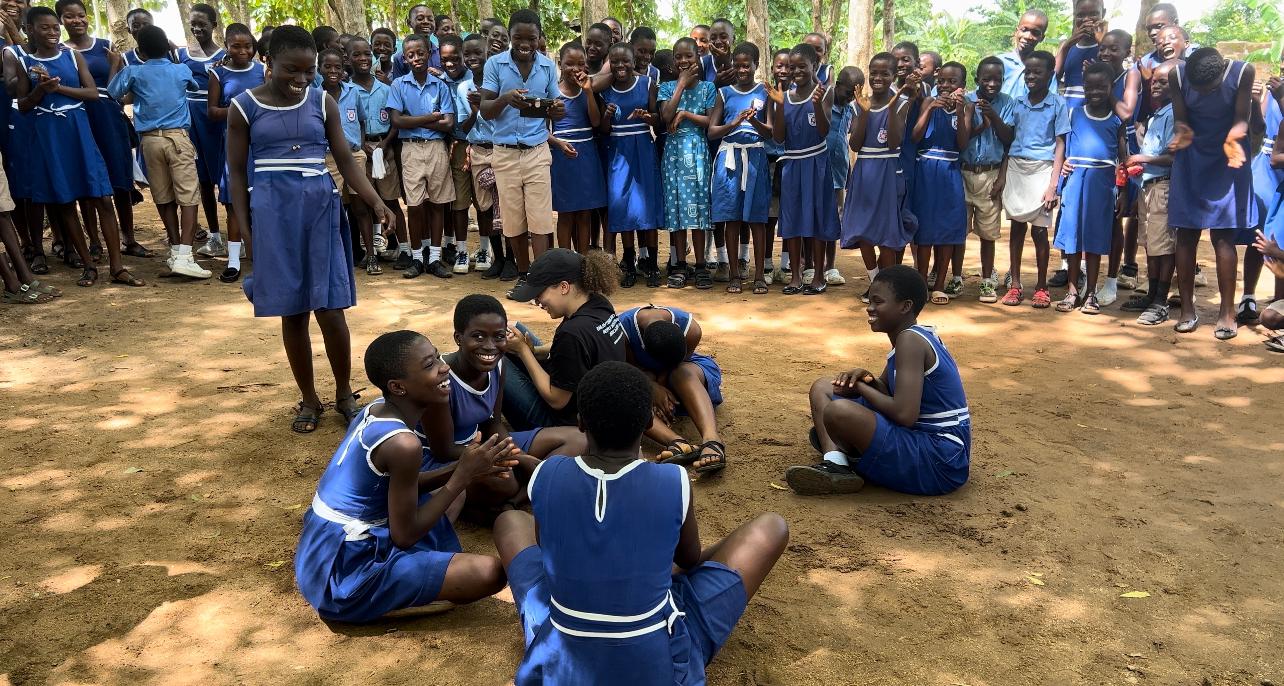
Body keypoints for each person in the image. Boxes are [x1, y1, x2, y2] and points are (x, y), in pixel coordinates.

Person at [491, 361, 789, 685]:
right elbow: (688, 560)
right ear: (649, 421)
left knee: (509, 521)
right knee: (772, 527)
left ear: (579, 422)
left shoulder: (546, 475)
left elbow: (549, 552)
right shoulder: (672, 479)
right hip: (654, 663)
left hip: (561, 655)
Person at [225, 25, 393, 433]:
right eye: (291, 71)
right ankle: (309, 399)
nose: (301, 80)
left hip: (320, 207)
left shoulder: (322, 101)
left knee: (331, 309)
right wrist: (246, 232)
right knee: (294, 312)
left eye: (309, 71)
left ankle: (342, 393)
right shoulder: (243, 106)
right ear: (269, 62)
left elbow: (346, 159)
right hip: (273, 213)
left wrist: (374, 199)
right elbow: (234, 173)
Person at [295, 330, 517, 623]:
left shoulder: (375, 409)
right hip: (345, 571)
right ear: (398, 387)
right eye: (429, 365)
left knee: (453, 495)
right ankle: (377, 602)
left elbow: (392, 487)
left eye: (437, 356)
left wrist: (468, 469)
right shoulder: (403, 444)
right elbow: (404, 536)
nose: (444, 367)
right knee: (490, 573)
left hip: (320, 548)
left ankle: (398, 582)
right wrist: (461, 475)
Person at [785, 265, 970, 496]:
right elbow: (888, 390)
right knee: (824, 387)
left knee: (838, 411)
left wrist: (862, 388)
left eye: (878, 302)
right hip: (935, 449)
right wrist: (868, 379)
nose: (869, 308)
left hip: (940, 460)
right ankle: (836, 462)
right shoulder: (910, 336)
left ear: (905, 306)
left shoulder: (910, 341)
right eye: (870, 300)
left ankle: (848, 449)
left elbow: (905, 414)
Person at [420, 295, 589, 511]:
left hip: (483, 445)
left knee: (579, 439)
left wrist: (516, 454)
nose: (490, 346)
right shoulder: (441, 380)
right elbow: (442, 450)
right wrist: (508, 458)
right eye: (478, 336)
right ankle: (525, 492)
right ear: (458, 338)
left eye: (499, 336)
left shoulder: (499, 366)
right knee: (506, 480)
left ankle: (519, 497)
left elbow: (492, 421)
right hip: (447, 458)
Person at [15, 6, 143, 288]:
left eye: (53, 27)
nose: (52, 32)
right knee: (65, 201)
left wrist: (57, 89)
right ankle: (88, 266)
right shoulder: (26, 62)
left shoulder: (71, 56)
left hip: (79, 129)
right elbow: (22, 105)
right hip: (49, 136)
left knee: (101, 197)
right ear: (31, 30)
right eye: (45, 28)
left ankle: (117, 267)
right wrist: (39, 90)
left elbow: (92, 93)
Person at [1168, 48, 1258, 340]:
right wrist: (1181, 132)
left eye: (1210, 90)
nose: (1203, 95)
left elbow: (1242, 118)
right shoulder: (1177, 75)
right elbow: (1181, 119)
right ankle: (1187, 311)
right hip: (1191, 156)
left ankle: (1227, 313)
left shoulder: (1243, 72)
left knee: (1223, 236)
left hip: (1228, 158)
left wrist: (1234, 138)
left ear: (1221, 76)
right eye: (1198, 91)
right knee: (1186, 233)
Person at [107, 25, 209, 279]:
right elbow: (194, 87)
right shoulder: (181, 69)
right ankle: (185, 255)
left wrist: (115, 64)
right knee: (188, 197)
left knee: (163, 197)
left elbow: (112, 92)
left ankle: (175, 251)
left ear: (140, 50)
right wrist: (175, 55)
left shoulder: (134, 71)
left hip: (150, 141)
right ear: (167, 47)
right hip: (177, 138)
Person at [479, 10, 565, 297]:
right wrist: (505, 98)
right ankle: (525, 276)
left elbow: (557, 107)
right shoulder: (495, 64)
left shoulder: (547, 67)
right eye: (518, 37)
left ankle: (539, 279)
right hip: (504, 152)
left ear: (539, 37)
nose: (524, 43)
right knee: (514, 220)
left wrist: (557, 109)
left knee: (540, 218)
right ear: (510, 37)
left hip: (537, 150)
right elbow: (485, 109)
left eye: (531, 38)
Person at [502, 248, 628, 431]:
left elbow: (557, 400)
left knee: (497, 361)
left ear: (563, 287)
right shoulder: (597, 303)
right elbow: (580, 351)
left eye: (539, 294)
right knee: (516, 331)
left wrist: (523, 351)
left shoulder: (572, 334)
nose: (537, 302)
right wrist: (534, 351)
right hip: (599, 408)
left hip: (567, 426)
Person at [58, 0, 141, 260]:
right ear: (62, 20)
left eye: (81, 15)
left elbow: (122, 89)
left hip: (108, 116)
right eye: (70, 17)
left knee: (120, 179)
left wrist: (115, 65)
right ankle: (95, 241)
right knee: (87, 178)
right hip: (79, 118)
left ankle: (129, 237)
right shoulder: (60, 51)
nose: (77, 21)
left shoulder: (105, 45)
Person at [1052, 62, 1126, 315]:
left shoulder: (1116, 120)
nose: (1094, 91)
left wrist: (1122, 190)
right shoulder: (1074, 113)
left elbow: (1123, 158)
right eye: (1089, 87)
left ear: (1111, 88)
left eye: (1101, 87)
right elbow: (1062, 147)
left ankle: (1091, 293)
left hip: (1102, 182)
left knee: (1094, 239)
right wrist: (1058, 179)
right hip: (1075, 181)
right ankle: (1073, 292)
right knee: (1073, 239)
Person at [619, 304, 726, 473]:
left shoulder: (691, 330)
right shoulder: (621, 331)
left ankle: (712, 440)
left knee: (680, 372)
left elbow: (676, 364)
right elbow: (632, 370)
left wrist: (660, 389)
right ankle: (677, 442)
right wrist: (651, 389)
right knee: (627, 391)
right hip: (644, 376)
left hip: (685, 371)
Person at [1000, 50, 1068, 309]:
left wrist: (1053, 185)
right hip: (1018, 167)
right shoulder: (1017, 103)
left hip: (1043, 170)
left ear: (1051, 74)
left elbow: (1060, 143)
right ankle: (1015, 284)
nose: (1031, 76)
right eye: (1028, 71)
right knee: (1017, 228)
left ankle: (1041, 286)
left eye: (1037, 72)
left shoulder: (1057, 104)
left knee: (1040, 231)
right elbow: (1008, 138)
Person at [388, 32, 456, 279]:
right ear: (405, 59)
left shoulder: (440, 85)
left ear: (429, 53)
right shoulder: (398, 85)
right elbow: (396, 120)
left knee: (438, 204)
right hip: (411, 150)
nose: (416, 58)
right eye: (410, 55)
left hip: (437, 148)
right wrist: (430, 117)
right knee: (415, 206)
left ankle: (435, 258)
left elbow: (448, 123)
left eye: (420, 53)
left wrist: (411, 121)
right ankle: (417, 258)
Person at [843, 52, 910, 302]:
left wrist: (890, 110)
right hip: (864, 171)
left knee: (887, 233)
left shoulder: (901, 103)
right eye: (874, 72)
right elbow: (856, 144)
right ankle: (875, 282)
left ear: (894, 76)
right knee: (862, 230)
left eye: (885, 73)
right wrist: (863, 111)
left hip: (888, 171)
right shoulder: (859, 103)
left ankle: (888, 287)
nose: (878, 77)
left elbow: (894, 143)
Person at [770, 42, 836, 296]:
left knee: (818, 219)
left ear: (814, 66)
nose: (796, 71)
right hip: (792, 163)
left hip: (816, 163)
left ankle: (818, 275)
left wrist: (817, 105)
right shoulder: (783, 97)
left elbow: (823, 130)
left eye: (802, 66)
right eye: (791, 66)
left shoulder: (824, 92)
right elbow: (778, 138)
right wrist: (779, 106)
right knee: (792, 219)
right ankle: (795, 276)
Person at [709, 42, 772, 294]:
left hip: (755, 156)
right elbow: (712, 131)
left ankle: (758, 276)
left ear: (757, 65)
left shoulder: (765, 92)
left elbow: (771, 133)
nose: (742, 69)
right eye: (738, 65)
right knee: (731, 218)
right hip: (729, 159)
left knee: (757, 218)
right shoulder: (724, 93)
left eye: (747, 65)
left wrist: (753, 119)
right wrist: (734, 122)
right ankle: (734, 274)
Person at [599, 41, 661, 287]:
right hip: (618, 151)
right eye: (615, 61)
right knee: (623, 206)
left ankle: (653, 265)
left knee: (647, 206)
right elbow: (604, 129)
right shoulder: (606, 90)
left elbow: (658, 120)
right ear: (609, 64)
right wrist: (606, 114)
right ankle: (630, 262)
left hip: (643, 149)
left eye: (625, 60)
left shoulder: (647, 84)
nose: (620, 65)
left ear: (634, 62)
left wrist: (648, 117)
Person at [910, 61, 972, 305]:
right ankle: (922, 282)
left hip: (949, 170)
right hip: (925, 170)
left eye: (952, 81)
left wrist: (958, 112)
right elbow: (915, 136)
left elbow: (963, 143)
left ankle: (939, 285)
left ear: (962, 86)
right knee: (925, 228)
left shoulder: (966, 108)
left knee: (946, 229)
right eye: (942, 81)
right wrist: (929, 109)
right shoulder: (928, 102)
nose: (946, 85)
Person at [206, 22, 265, 283]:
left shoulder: (263, 71)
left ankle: (264, 259)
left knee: (262, 201)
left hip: (262, 144)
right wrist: (241, 110)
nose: (242, 51)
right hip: (234, 144)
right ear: (227, 47)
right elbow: (212, 112)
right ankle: (232, 261)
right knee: (233, 202)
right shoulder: (218, 74)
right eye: (236, 46)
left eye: (247, 46)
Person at [1121, 59, 1177, 326]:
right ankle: (1152, 294)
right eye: (1153, 80)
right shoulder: (1159, 114)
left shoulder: (1175, 114)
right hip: (1149, 187)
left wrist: (1143, 158)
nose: (1155, 84)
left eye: (1162, 81)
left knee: (1164, 247)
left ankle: (1160, 300)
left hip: (1164, 186)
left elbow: (1172, 157)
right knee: (1151, 244)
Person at [659, 37, 716, 290]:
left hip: (697, 151)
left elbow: (711, 123)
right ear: (673, 61)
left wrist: (686, 114)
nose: (684, 61)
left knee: (699, 207)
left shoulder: (708, 88)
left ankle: (701, 265)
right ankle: (680, 264)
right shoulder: (666, 87)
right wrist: (680, 85)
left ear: (698, 58)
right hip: (672, 153)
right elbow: (665, 116)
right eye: (679, 57)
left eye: (689, 56)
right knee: (677, 208)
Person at [960, 56, 1015, 303]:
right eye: (987, 79)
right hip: (963, 171)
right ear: (977, 79)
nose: (992, 83)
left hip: (991, 174)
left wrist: (994, 116)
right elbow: (961, 138)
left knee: (988, 233)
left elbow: (1008, 139)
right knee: (958, 231)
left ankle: (985, 280)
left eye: (998, 79)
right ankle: (956, 276)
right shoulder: (965, 100)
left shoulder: (1007, 103)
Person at [348, 35, 402, 276]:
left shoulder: (386, 88)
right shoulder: (347, 90)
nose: (362, 58)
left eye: (365, 53)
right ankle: (371, 254)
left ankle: (406, 249)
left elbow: (395, 121)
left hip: (385, 148)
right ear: (348, 59)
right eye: (356, 54)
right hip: (359, 152)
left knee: (390, 200)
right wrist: (363, 147)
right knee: (363, 204)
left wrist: (386, 144)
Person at [319, 48, 375, 273]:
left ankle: (371, 255)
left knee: (361, 206)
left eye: (337, 67)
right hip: (328, 157)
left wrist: (359, 146)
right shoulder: (314, 94)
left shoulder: (354, 92)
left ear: (344, 69)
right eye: (328, 67)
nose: (333, 71)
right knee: (332, 206)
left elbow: (361, 121)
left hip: (354, 156)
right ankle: (335, 258)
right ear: (319, 69)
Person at [178, 3, 227, 255]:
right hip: (193, 121)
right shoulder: (182, 55)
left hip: (217, 123)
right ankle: (215, 235)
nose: (197, 28)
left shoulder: (225, 56)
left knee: (227, 179)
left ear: (214, 26)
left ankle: (238, 236)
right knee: (204, 181)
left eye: (202, 24)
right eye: (193, 24)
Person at [455, 32, 503, 278]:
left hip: (501, 150)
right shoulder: (463, 87)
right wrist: (475, 109)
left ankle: (513, 260)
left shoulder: (498, 83)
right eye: (468, 54)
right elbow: (463, 127)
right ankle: (496, 256)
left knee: (505, 206)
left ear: (488, 55)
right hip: (478, 151)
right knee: (484, 207)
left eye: (478, 53)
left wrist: (485, 102)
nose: (473, 57)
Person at [549, 42, 605, 254]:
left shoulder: (588, 90)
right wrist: (558, 144)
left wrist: (589, 92)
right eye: (570, 64)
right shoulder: (552, 92)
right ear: (560, 64)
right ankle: (565, 263)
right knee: (565, 214)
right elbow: (541, 130)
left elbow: (596, 121)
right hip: (563, 157)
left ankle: (582, 261)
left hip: (587, 156)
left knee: (584, 214)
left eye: (581, 63)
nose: (576, 68)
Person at [437, 34, 474, 274]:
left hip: (480, 144)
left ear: (464, 57)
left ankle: (485, 248)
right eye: (445, 59)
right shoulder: (438, 81)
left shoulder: (474, 79)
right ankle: (461, 250)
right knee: (459, 203)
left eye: (454, 58)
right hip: (456, 145)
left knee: (484, 205)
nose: (450, 64)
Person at [823, 66, 861, 288]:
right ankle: (807, 264)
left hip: (839, 172)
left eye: (854, 94)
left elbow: (850, 137)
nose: (850, 98)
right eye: (847, 93)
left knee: (834, 219)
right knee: (816, 218)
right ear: (837, 86)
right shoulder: (825, 103)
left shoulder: (850, 109)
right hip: (819, 171)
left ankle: (831, 266)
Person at [1054, 0, 1103, 110]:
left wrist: (1102, 43)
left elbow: (1114, 77)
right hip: (1068, 112)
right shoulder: (1068, 46)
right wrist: (1067, 45)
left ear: (1103, 13)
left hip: (1096, 113)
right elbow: (1053, 77)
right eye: (1080, 15)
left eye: (1093, 14)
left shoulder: (1108, 47)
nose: (1086, 19)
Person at [998, 9, 1048, 99]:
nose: (1028, 36)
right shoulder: (999, 63)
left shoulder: (1044, 68)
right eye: (1024, 30)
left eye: (1035, 33)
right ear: (1017, 31)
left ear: (1042, 37)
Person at [391, 5, 441, 79]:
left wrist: (441, 74)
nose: (426, 22)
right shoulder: (400, 58)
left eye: (430, 19)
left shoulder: (441, 53)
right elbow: (398, 85)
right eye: (420, 19)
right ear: (409, 23)